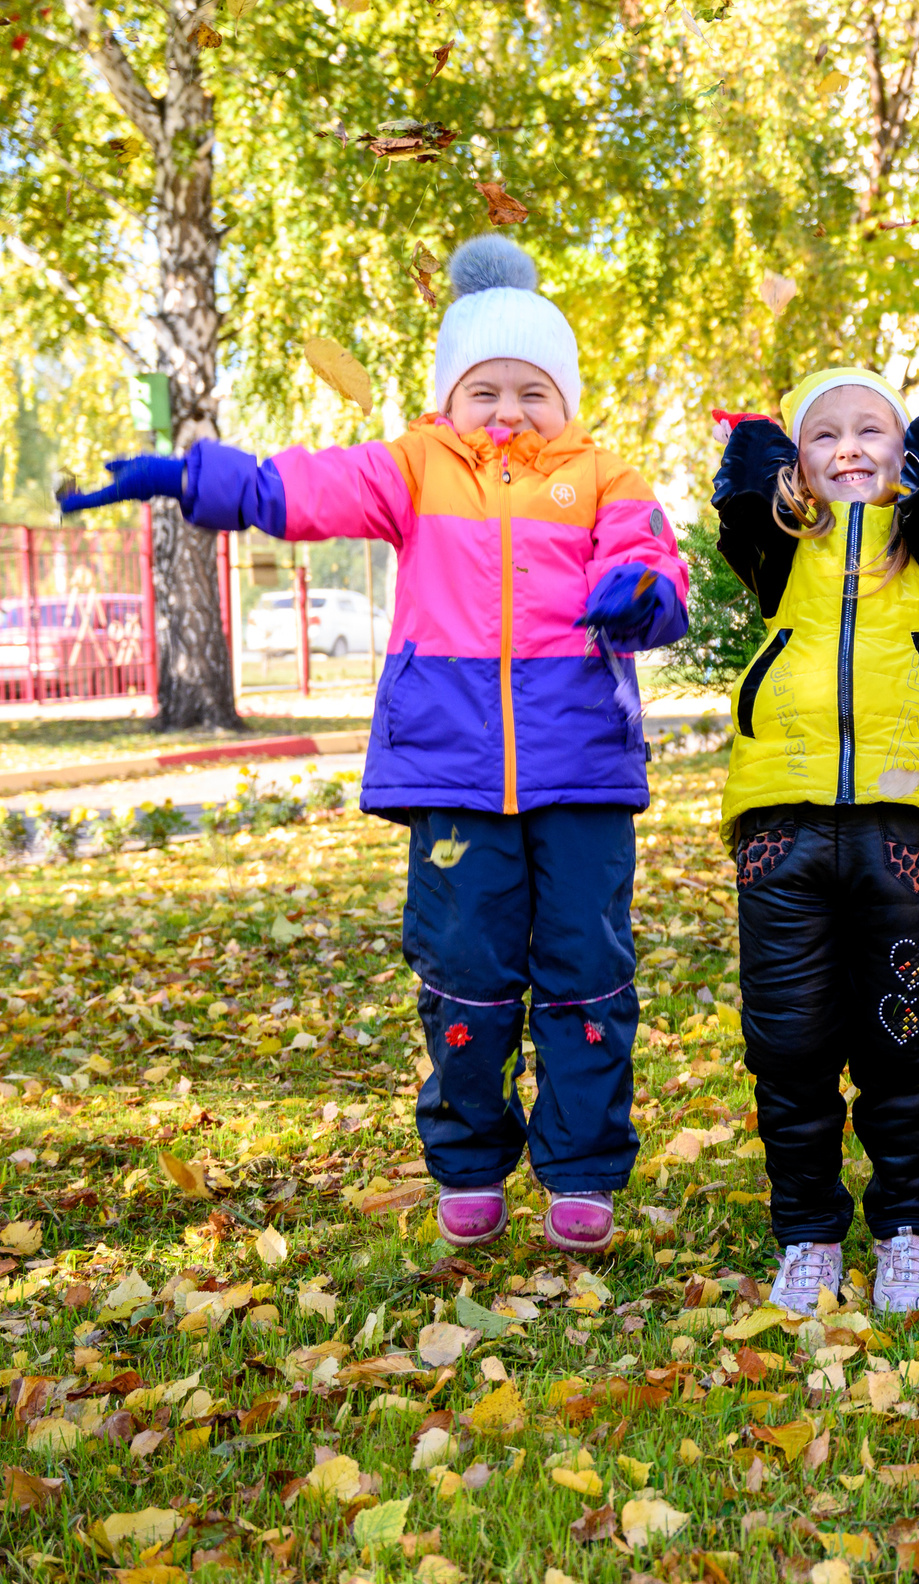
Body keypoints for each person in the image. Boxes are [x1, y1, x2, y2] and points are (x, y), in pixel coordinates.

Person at [61, 234, 689, 1254]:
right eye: (484, 391)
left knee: (587, 972)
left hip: (580, 772)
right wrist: (196, 479)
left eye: (533, 391)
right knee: (464, 973)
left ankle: (581, 1170)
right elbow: (302, 489)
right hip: (451, 768)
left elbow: (649, 560)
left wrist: (644, 594)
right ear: (449, 397)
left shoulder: (607, 475)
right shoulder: (414, 467)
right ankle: (470, 1159)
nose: (508, 411)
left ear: (564, 399)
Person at [709, 366, 919, 1317]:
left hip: (904, 827)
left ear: (903, 455)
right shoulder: (781, 554)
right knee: (787, 1045)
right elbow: (741, 511)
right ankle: (809, 1237)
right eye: (824, 437)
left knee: (900, 1042)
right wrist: (755, 434)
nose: (850, 449)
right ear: (800, 466)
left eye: (873, 432)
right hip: (782, 828)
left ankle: (908, 1232)